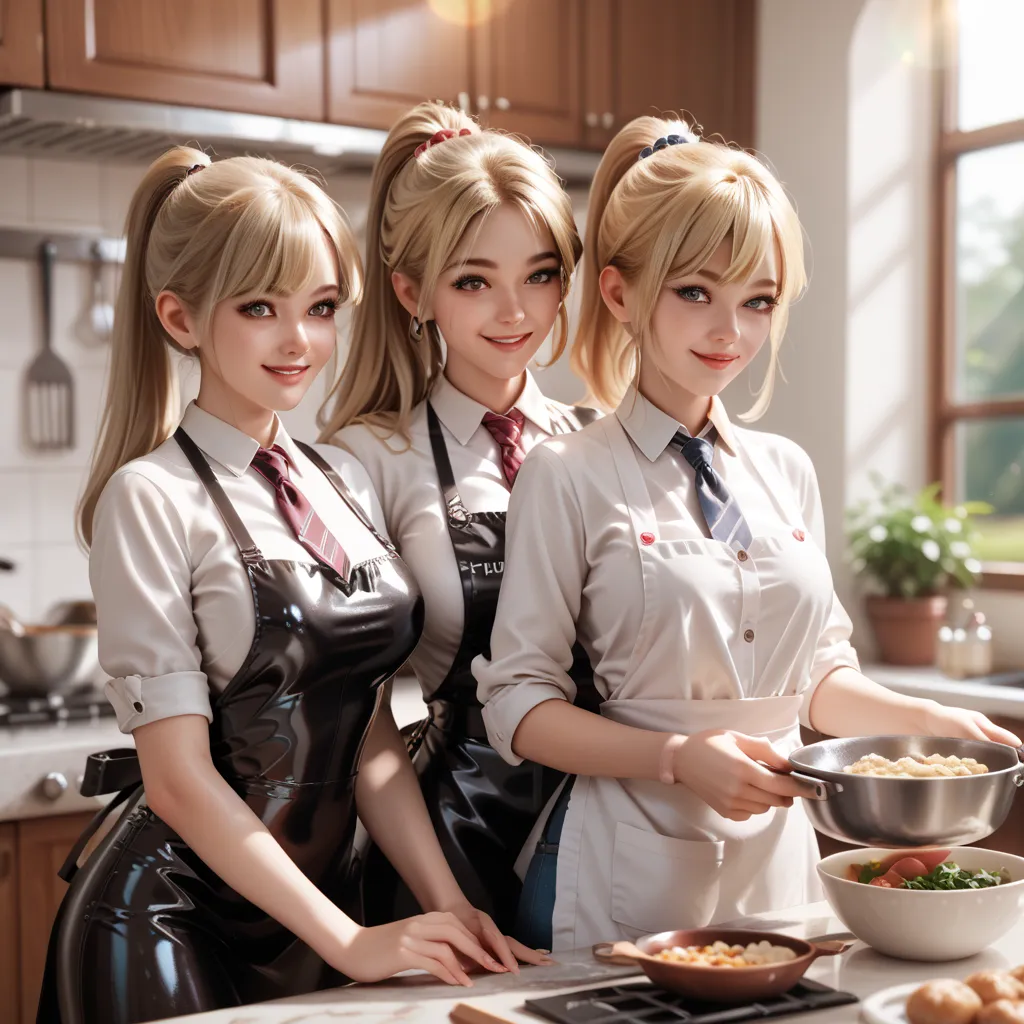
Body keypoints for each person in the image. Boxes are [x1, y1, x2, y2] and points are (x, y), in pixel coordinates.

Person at [473, 116, 1022, 951]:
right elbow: (517, 705)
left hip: (779, 860)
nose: (730, 332)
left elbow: (816, 678)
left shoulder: (785, 470)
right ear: (621, 294)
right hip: (626, 860)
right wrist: (676, 757)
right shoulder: (568, 472)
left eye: (756, 301)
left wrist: (926, 719)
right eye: (695, 293)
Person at [39, 146, 544, 1024]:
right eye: (260, 308)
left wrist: (446, 905)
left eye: (319, 308)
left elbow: (371, 735)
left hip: (318, 909)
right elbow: (179, 782)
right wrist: (350, 942)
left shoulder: (336, 478)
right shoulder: (150, 497)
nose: (299, 340)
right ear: (180, 316)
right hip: (170, 918)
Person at [318, 101, 599, 936]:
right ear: (412, 291)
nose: (514, 312)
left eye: (540, 275)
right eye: (474, 281)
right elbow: (356, 723)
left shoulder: (601, 444)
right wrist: (447, 903)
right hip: (456, 837)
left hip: (613, 823)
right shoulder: (367, 458)